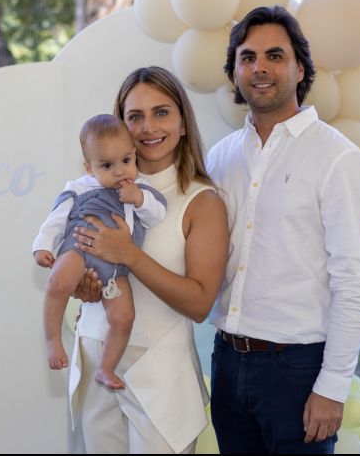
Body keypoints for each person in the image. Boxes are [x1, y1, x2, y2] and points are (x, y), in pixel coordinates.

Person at [205, 5, 360, 454]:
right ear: (235, 71)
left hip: (297, 371)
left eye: (275, 55)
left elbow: (355, 284)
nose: (259, 68)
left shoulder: (336, 157)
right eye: (247, 57)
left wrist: (332, 387)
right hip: (226, 361)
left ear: (300, 67)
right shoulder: (220, 157)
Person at [70, 66, 229, 453]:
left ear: (183, 123)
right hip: (95, 354)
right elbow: (78, 261)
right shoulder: (88, 188)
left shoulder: (201, 200)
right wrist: (84, 285)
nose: (148, 127)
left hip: (161, 374)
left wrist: (129, 255)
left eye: (161, 112)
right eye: (135, 116)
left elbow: (200, 303)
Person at [32, 114, 167, 390]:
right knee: (58, 280)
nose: (120, 171)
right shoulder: (78, 188)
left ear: (133, 155)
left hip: (116, 269)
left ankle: (106, 368)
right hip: (79, 251)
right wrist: (43, 245)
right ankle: (52, 340)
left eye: (126, 161)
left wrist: (139, 199)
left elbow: (157, 215)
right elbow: (56, 218)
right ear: (89, 168)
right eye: (107, 165)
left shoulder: (141, 189)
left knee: (124, 317)